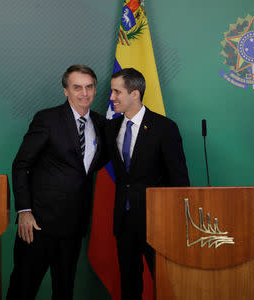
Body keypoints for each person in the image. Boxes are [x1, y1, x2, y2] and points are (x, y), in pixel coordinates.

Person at [7, 65, 106, 300]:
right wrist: (24, 211)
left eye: (89, 87)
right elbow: (21, 164)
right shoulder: (47, 119)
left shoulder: (102, 124)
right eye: (77, 87)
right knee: (23, 288)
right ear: (66, 91)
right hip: (38, 225)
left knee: (64, 291)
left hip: (72, 228)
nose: (84, 93)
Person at [106, 68, 190, 299]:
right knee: (129, 285)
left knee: (167, 285)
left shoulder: (165, 128)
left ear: (135, 94)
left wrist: (177, 223)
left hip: (158, 223)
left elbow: (180, 180)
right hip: (124, 222)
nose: (111, 97)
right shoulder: (111, 128)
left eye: (116, 92)